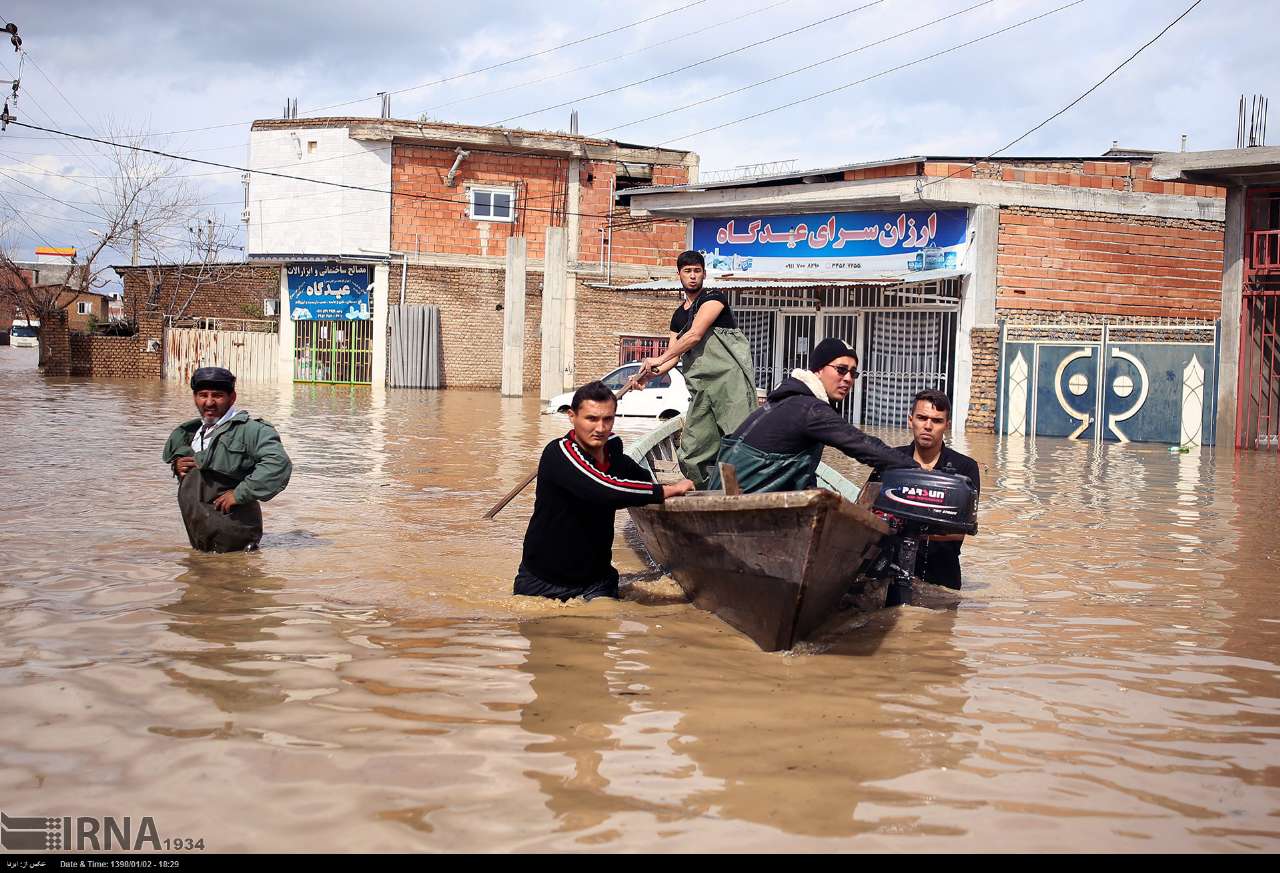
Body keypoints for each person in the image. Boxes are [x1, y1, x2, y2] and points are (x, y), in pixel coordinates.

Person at [515, 381, 695, 602]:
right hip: (543, 583)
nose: (600, 428)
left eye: (607, 419)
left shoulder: (612, 448)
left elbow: (635, 473)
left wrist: (655, 485)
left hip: (596, 581)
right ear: (572, 416)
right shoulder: (558, 454)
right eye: (591, 419)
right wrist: (663, 491)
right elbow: (603, 490)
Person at [708, 337, 916, 493]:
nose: (848, 379)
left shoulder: (787, 399)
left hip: (728, 495)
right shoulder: (809, 409)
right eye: (841, 370)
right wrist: (918, 471)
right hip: (744, 506)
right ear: (818, 370)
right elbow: (862, 444)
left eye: (853, 373)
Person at [634, 250, 758, 489]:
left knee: (741, 442)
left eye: (697, 271)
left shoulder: (714, 298)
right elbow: (673, 356)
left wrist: (659, 358)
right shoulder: (678, 316)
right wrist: (650, 374)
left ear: (704, 273)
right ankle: (706, 493)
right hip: (702, 390)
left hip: (730, 384)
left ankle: (746, 492)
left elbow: (694, 336)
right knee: (691, 451)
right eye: (687, 271)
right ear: (678, 274)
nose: (692, 276)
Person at [161, 367, 293, 552]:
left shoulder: (251, 430)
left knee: (234, 578)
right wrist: (178, 466)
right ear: (194, 398)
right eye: (202, 395)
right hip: (201, 541)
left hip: (235, 544)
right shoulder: (192, 434)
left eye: (217, 395)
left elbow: (278, 464)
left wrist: (240, 494)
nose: (209, 402)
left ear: (232, 398)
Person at [867, 388, 980, 589]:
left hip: (942, 580)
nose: (927, 426)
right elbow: (868, 512)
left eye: (936, 421)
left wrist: (906, 527)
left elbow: (961, 530)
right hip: (888, 575)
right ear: (911, 420)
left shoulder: (965, 468)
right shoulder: (890, 462)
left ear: (947, 425)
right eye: (922, 418)